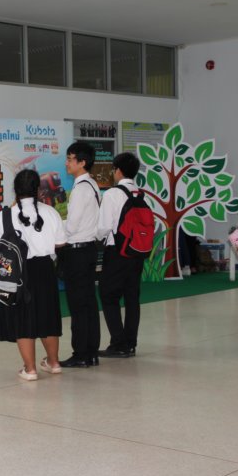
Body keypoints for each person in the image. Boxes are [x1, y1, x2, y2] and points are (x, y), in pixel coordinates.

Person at [0, 169, 66, 380]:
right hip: (45, 270)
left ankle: (30, 370)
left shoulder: (5, 215)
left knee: (23, 319)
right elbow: (60, 243)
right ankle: (54, 363)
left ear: (15, 190)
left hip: (18, 274)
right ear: (38, 189)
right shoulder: (51, 212)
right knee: (48, 316)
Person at [58, 142, 101, 368]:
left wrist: (54, 229)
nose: (66, 163)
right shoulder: (91, 185)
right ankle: (91, 351)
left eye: (70, 159)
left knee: (78, 305)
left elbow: (71, 226)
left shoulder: (81, 189)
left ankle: (81, 353)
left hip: (77, 252)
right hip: (88, 249)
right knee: (89, 303)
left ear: (82, 162)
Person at [98, 153, 144, 359]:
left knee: (108, 296)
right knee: (132, 297)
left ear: (118, 170)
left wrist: (94, 237)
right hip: (137, 252)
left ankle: (118, 343)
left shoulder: (112, 194)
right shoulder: (140, 193)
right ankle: (130, 343)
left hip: (117, 252)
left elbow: (104, 227)